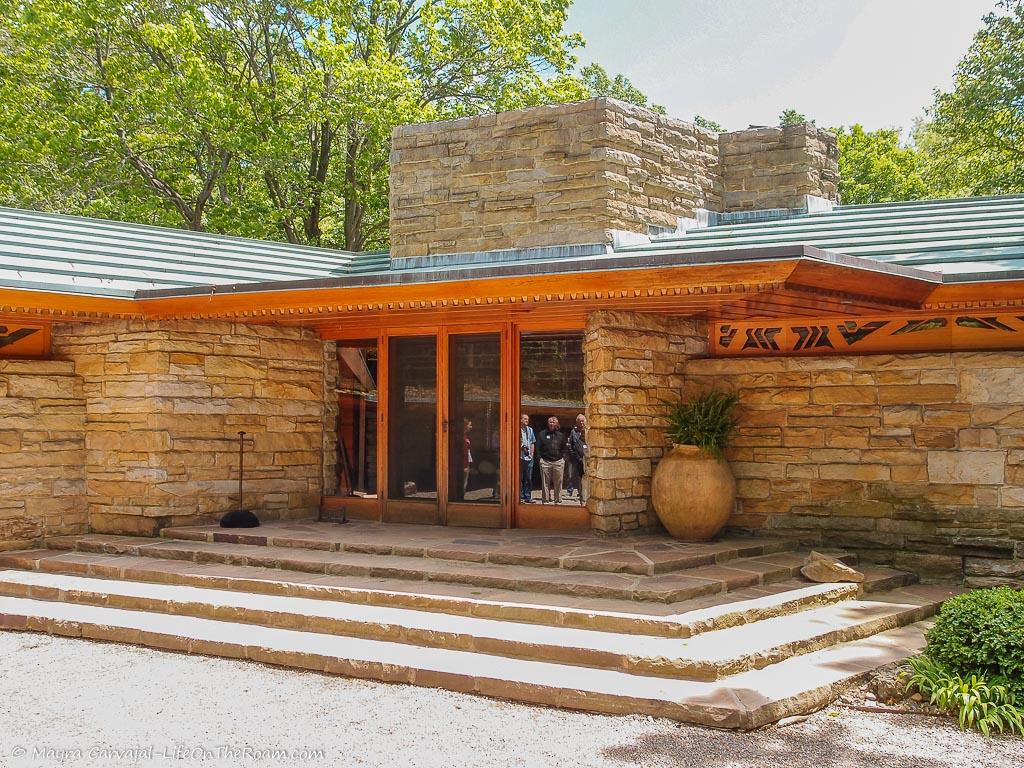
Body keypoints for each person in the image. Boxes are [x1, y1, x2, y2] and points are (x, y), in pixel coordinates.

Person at [537, 415, 567, 504]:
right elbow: (538, 447)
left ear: (557, 423)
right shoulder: (542, 434)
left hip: (558, 462)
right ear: (548, 423)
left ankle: (558, 500)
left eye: (553, 422)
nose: (552, 424)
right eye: (550, 422)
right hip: (545, 462)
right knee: (545, 483)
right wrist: (540, 459)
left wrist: (563, 458)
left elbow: (564, 448)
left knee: (558, 483)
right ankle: (545, 500)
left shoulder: (561, 435)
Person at [567, 413, 588, 505]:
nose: (581, 422)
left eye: (583, 420)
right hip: (577, 459)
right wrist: (575, 456)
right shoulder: (573, 432)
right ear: (577, 422)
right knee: (578, 478)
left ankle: (587, 496)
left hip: (588, 460)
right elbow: (570, 445)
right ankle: (581, 497)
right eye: (579, 421)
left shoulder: (589, 430)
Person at [519, 413, 536, 503]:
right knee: (519, 478)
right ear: (520, 420)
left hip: (529, 458)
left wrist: (532, 454)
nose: (526, 421)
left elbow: (532, 442)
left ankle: (528, 496)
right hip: (519, 457)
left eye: (527, 419)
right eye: (525, 419)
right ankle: (520, 497)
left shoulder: (530, 430)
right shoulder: (517, 430)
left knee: (528, 478)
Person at [462, 419, 473, 499]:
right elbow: (463, 452)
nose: (471, 427)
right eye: (469, 425)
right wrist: (465, 465)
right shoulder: (462, 437)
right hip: (464, 463)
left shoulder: (466, 436)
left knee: (465, 482)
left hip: (467, 462)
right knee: (463, 483)